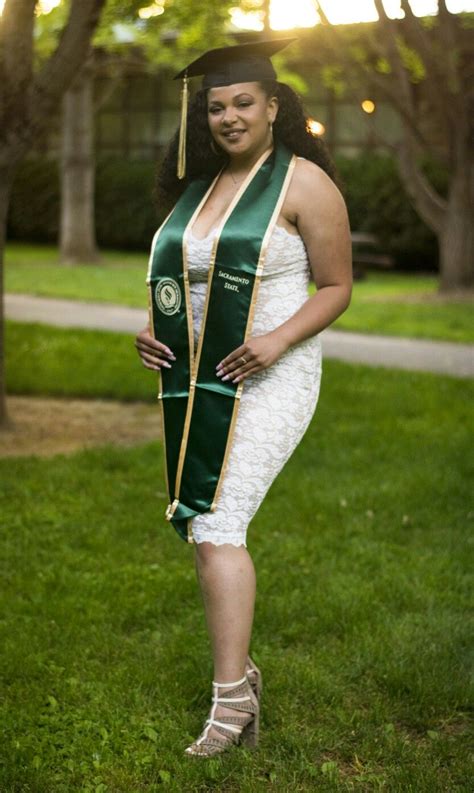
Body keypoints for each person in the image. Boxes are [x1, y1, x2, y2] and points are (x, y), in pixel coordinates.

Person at [135, 38, 352, 757]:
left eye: (242, 103)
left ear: (274, 106)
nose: (228, 117)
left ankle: (231, 702)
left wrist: (277, 340)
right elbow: (184, 277)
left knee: (218, 520)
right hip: (198, 376)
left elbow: (338, 287)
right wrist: (151, 327)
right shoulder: (198, 187)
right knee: (203, 521)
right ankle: (242, 686)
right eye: (217, 107)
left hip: (271, 373)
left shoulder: (305, 184)